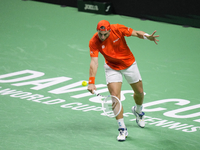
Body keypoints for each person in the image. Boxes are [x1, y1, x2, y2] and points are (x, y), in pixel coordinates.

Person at [87, 20, 159, 141]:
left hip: (129, 64)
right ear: (97, 31)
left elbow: (136, 33)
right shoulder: (94, 41)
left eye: (105, 34)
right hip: (112, 68)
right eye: (100, 34)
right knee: (115, 97)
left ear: (110, 30)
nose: (103, 37)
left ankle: (138, 111)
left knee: (140, 92)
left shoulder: (118, 29)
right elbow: (94, 62)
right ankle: (122, 128)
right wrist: (91, 82)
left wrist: (147, 37)